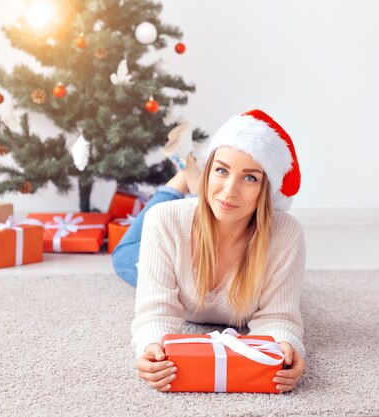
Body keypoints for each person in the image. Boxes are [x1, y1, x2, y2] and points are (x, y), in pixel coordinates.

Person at [111, 109, 306, 394]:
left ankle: (187, 172)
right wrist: (151, 346)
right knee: (123, 256)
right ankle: (181, 177)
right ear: (210, 170)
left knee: (221, 204)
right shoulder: (164, 221)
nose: (230, 190)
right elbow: (156, 314)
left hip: (211, 211)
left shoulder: (286, 235)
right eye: (222, 170)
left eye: (250, 178)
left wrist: (284, 346)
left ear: (267, 189)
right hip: (180, 220)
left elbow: (278, 317)